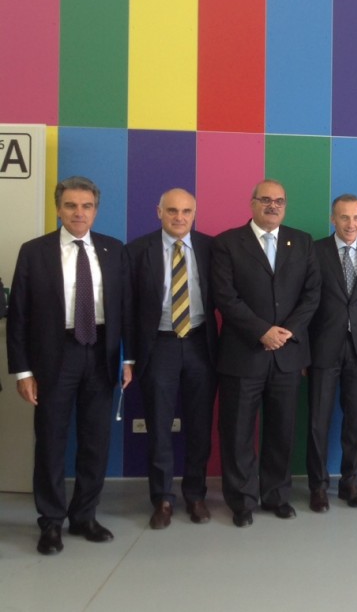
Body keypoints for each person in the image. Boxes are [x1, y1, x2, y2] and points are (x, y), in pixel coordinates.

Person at [6, 176, 132, 555]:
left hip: (101, 353)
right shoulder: (34, 252)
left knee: (95, 442)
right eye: (71, 206)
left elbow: (125, 309)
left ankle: (84, 517)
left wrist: (128, 358)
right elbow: (19, 316)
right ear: (58, 208)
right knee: (50, 442)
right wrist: (23, 371)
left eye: (86, 206)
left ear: (96, 210)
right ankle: (50, 522)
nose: (79, 213)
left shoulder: (113, 250)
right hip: (53, 356)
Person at [212, 179, 320, 527]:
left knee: (281, 431)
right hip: (243, 354)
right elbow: (225, 296)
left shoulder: (302, 242)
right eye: (265, 200)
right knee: (238, 433)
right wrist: (262, 331)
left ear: (285, 206)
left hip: (287, 355)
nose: (273, 206)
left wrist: (286, 333)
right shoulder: (227, 243)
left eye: (279, 201)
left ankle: (276, 496)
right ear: (252, 203)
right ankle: (242, 501)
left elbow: (312, 294)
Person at [126, 188, 218, 529]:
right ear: (159, 212)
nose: (180, 217)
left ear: (195, 213)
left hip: (200, 344)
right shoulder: (137, 250)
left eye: (186, 211)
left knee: (199, 426)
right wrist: (129, 357)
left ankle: (195, 495)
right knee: (159, 426)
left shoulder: (211, 248)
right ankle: (162, 498)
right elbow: (128, 309)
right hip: (159, 345)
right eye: (172, 211)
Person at [307, 194, 357, 512]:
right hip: (323, 347)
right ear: (333, 219)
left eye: (356, 217)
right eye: (344, 217)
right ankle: (318, 486)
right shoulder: (315, 251)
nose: (350, 224)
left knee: (356, 421)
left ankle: (350, 483)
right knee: (318, 421)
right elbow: (306, 301)